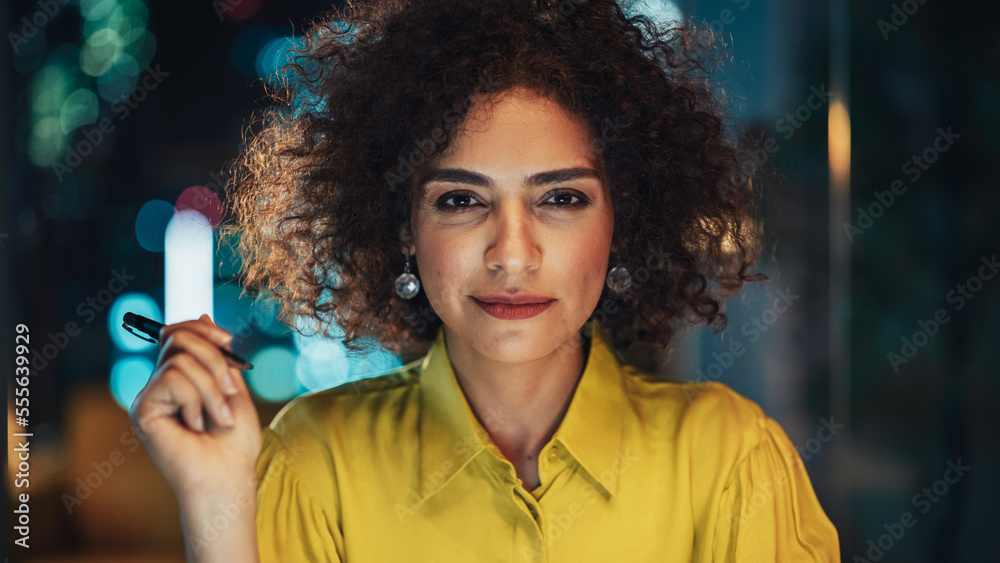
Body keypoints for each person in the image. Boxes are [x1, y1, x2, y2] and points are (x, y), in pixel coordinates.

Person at [130, 0, 840, 561]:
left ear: (621, 220)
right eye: (461, 200)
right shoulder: (315, 460)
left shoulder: (730, 458)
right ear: (405, 226)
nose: (511, 253)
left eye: (561, 198)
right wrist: (213, 496)